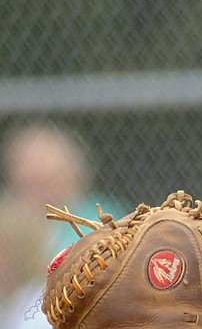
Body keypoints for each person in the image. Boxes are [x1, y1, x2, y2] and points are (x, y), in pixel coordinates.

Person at [0, 122, 124, 328]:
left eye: (46, 177)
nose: (36, 185)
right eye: (28, 176)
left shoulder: (100, 217)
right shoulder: (9, 218)